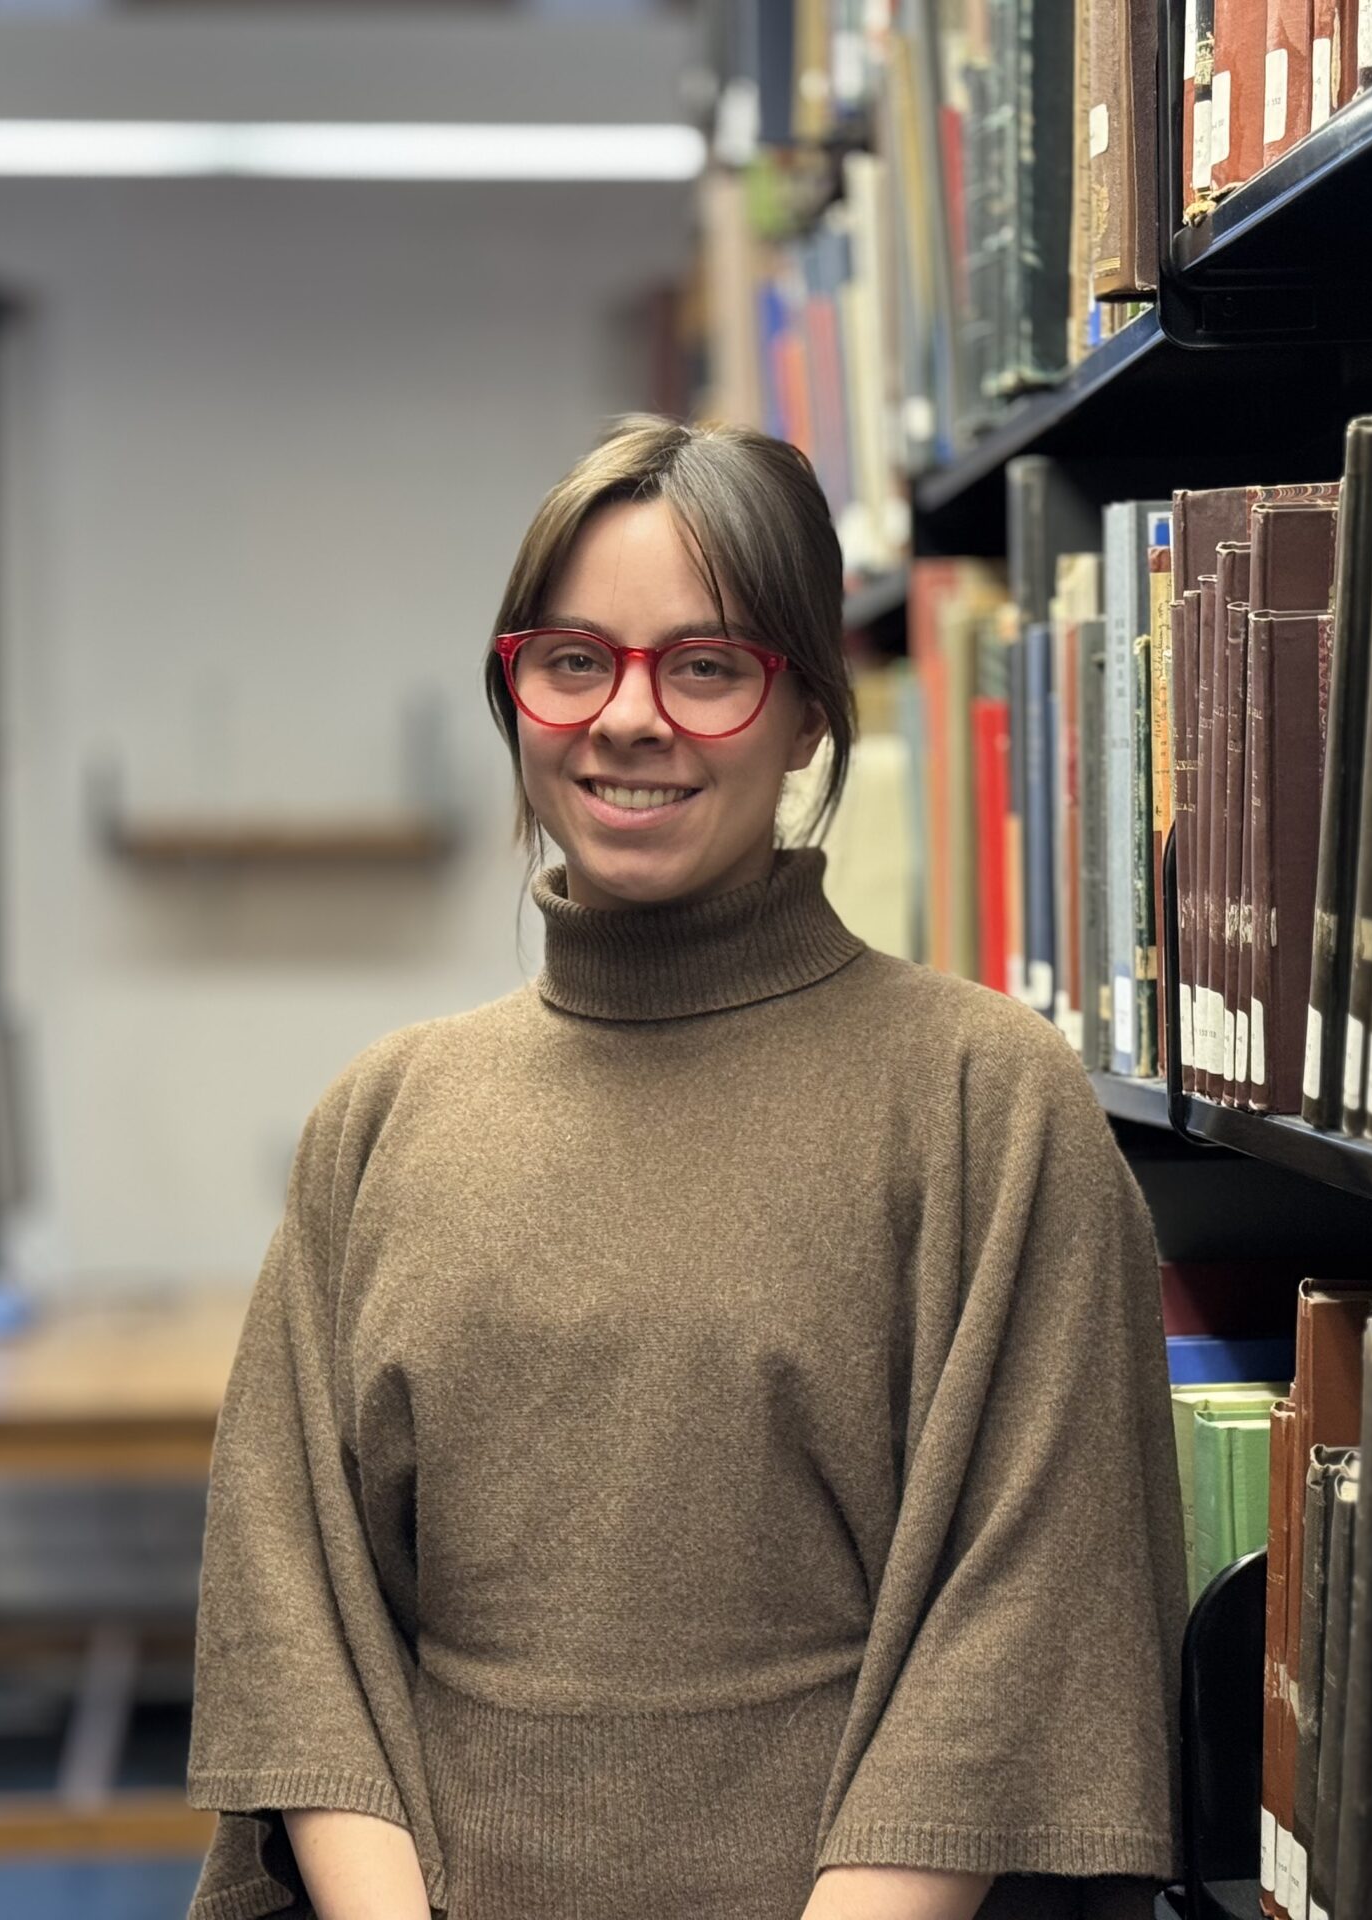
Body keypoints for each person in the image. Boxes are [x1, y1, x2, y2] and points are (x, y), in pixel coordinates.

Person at [185, 417, 1183, 1920]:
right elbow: (294, 1612)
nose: (628, 720)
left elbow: (1026, 1623)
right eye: (573, 660)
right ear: (515, 697)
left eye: (706, 667)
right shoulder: (383, 1119)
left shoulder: (987, 1103)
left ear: (809, 718)